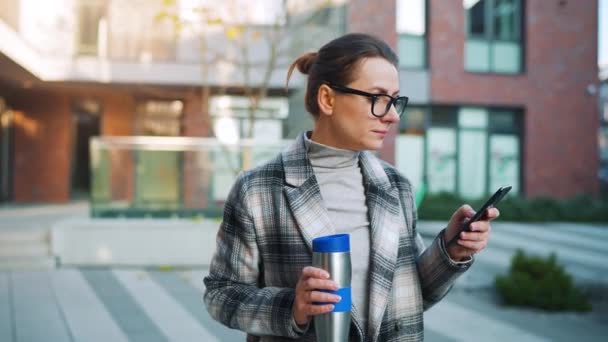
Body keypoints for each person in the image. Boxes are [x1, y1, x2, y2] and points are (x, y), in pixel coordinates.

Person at [204, 33, 498, 342]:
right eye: (378, 98)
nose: (393, 115)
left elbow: (411, 297)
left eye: (395, 100)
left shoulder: (396, 187)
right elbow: (221, 295)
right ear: (328, 99)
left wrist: (450, 250)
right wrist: (292, 307)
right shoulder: (258, 190)